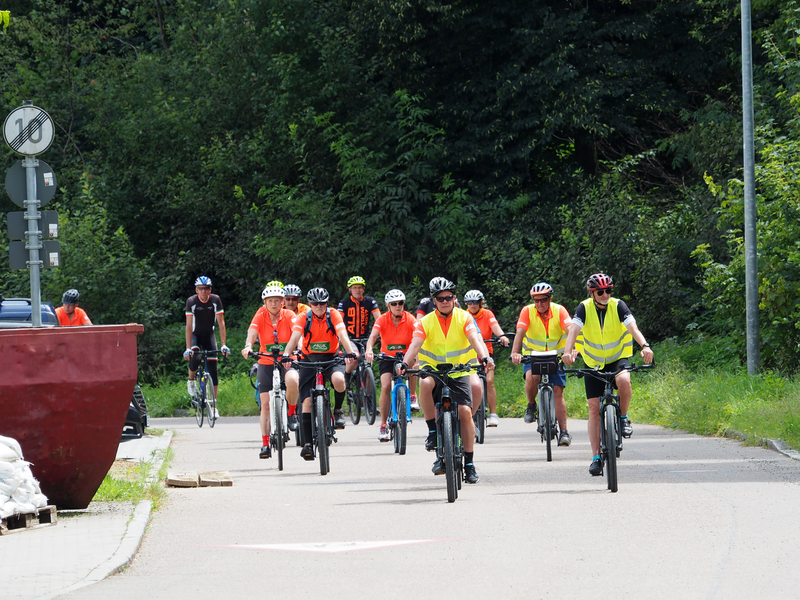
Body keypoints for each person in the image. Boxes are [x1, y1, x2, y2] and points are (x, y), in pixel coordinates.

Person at [401, 277, 494, 484]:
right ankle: (433, 431)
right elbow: (415, 346)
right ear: (434, 301)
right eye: (440, 298)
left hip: (459, 372)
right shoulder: (425, 322)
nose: (445, 301)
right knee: (424, 383)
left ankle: (469, 464)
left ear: (454, 298)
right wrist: (404, 364)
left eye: (449, 297)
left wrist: (484, 357)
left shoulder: (464, 318)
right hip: (433, 371)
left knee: (464, 413)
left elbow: (474, 340)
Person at [561, 273, 654, 476]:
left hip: (618, 357)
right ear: (592, 293)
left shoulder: (618, 305)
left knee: (624, 381)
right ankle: (596, 457)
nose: (605, 295)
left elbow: (633, 327)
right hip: (593, 361)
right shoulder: (583, 308)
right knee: (594, 408)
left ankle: (623, 417)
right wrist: (567, 352)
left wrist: (645, 345)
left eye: (608, 291)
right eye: (600, 292)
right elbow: (574, 331)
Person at [282, 287, 356, 460]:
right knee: (307, 401)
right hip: (309, 359)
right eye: (315, 303)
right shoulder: (303, 317)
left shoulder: (334, 315)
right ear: (310, 304)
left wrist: (349, 351)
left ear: (326, 303)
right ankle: (307, 444)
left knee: (339, 380)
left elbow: (342, 334)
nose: (319, 306)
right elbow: (294, 338)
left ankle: (338, 410)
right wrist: (286, 355)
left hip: (331, 357)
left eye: (322, 303)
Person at [510, 282, 573, 447]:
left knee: (558, 391)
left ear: (550, 299)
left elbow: (571, 331)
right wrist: (515, 353)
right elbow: (520, 332)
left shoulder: (559, 311)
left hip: (556, 356)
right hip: (533, 356)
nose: (539, 304)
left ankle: (564, 432)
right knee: (532, 377)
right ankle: (531, 405)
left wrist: (572, 350)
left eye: (543, 300)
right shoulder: (527, 311)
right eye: (536, 300)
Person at [241, 283, 300, 459]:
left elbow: (298, 333)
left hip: (288, 359)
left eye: (277, 300)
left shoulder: (289, 315)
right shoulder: (260, 316)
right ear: (265, 302)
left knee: (293, 381)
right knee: (265, 404)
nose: (273, 304)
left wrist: (301, 347)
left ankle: (291, 412)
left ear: (282, 302)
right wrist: (248, 346)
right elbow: (252, 333)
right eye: (270, 301)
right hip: (266, 360)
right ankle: (265, 443)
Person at [364, 289, 419, 442]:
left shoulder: (410, 319)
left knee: (414, 365)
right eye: (394, 304)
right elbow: (373, 337)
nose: (398, 306)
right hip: (387, 357)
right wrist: (369, 350)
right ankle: (383, 424)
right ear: (388, 305)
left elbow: (419, 338)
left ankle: (413, 395)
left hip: (406, 356)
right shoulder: (382, 319)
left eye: (401, 303)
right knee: (386, 386)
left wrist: (420, 357)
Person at [184, 276, 230, 418]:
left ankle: (214, 405)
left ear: (210, 289)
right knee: (196, 357)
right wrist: (188, 347)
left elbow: (221, 323)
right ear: (196, 290)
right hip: (195, 335)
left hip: (209, 335)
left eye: (206, 289)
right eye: (200, 289)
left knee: (213, 370)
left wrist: (223, 345)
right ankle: (191, 380)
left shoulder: (215, 300)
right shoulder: (191, 302)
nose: (203, 292)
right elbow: (189, 325)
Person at [463, 290, 509, 427]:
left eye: (475, 302)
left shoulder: (487, 314)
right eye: (469, 302)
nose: (472, 305)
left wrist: (502, 336)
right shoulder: (463, 315)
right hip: (469, 355)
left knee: (489, 381)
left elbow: (495, 327)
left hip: (486, 352)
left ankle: (493, 414)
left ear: (480, 303)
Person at [337, 275, 381, 389]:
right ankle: (346, 375)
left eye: (360, 287)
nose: (357, 290)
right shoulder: (344, 303)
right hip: (349, 338)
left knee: (368, 363)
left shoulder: (370, 301)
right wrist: (339, 338)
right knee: (354, 358)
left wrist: (381, 332)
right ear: (350, 289)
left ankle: (369, 398)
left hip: (366, 338)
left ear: (363, 289)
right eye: (355, 287)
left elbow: (378, 319)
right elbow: (339, 321)